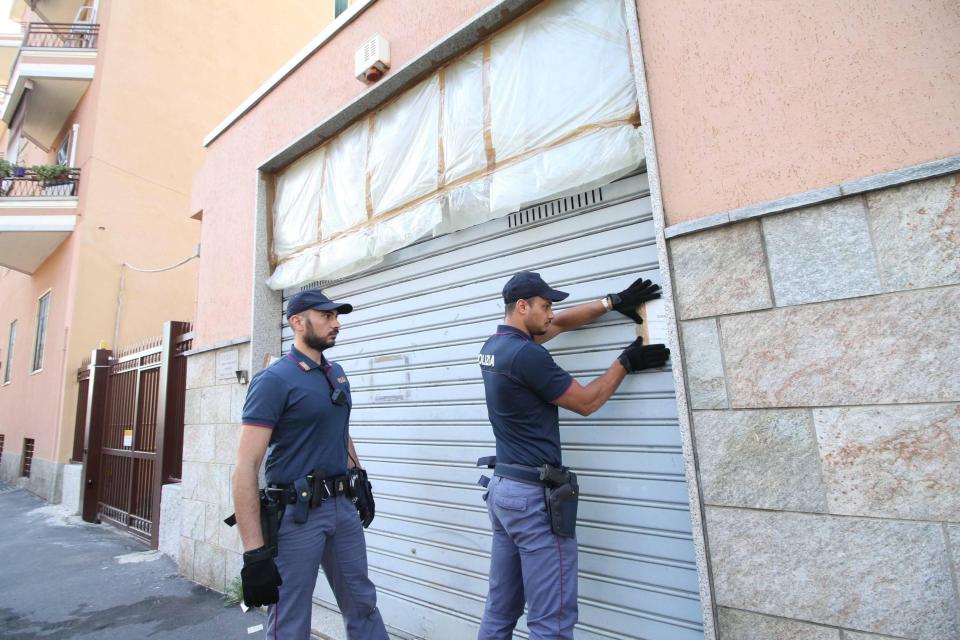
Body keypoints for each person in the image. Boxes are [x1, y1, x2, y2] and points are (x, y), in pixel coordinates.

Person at [476, 271, 669, 640]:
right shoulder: (526, 356)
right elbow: (587, 402)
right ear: (522, 306)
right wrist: (626, 362)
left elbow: (560, 325)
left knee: (500, 610)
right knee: (552, 624)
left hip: (503, 491)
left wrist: (612, 302)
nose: (551, 314)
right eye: (545, 306)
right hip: (533, 501)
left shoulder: (493, 347)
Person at [231, 289, 388, 640]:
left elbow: (340, 434)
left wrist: (359, 480)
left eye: (337, 317)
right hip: (297, 517)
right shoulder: (274, 381)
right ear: (297, 323)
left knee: (363, 602)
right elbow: (245, 465)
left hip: (343, 511)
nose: (336, 324)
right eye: (327, 316)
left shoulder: (336, 373)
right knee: (290, 616)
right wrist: (254, 552)